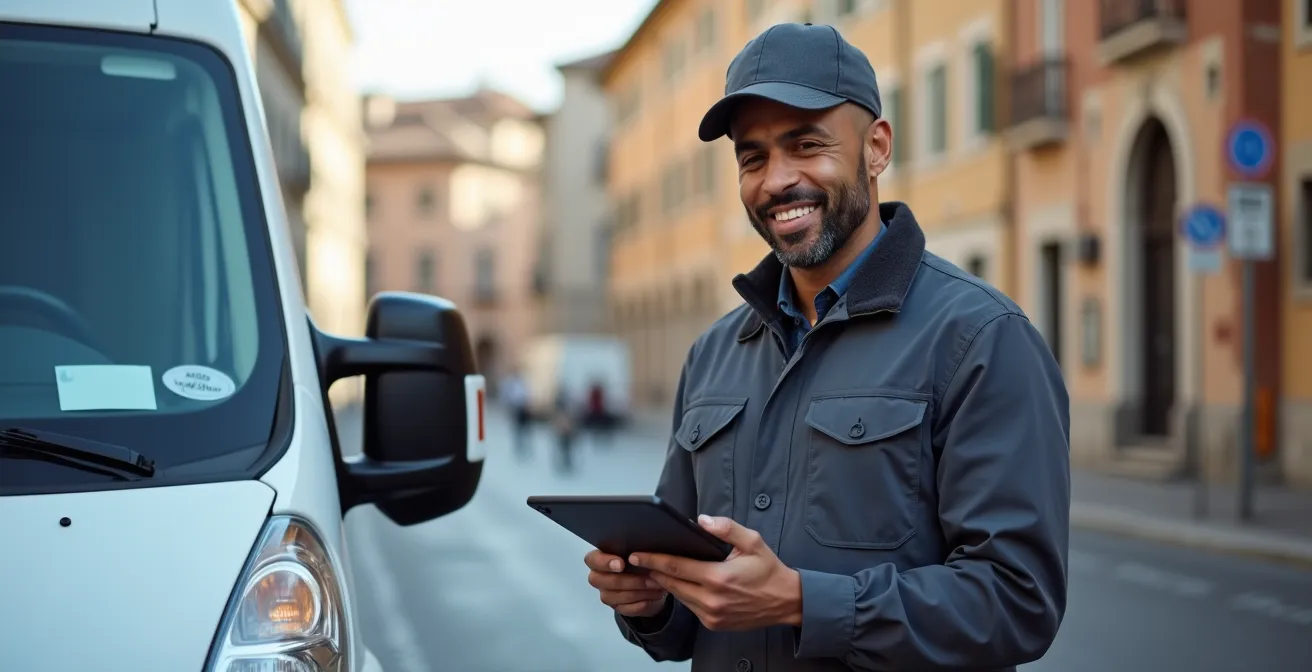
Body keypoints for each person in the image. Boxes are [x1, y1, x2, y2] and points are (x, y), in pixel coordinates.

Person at [583, 22, 1070, 672]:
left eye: (806, 145)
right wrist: (648, 602)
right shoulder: (712, 353)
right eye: (752, 158)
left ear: (876, 148)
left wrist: (802, 603)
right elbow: (686, 621)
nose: (776, 181)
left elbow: (1017, 603)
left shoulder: (981, 337)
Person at [499, 368, 531, 458]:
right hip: (516, 408)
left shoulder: (523, 383)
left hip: (523, 409)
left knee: (525, 430)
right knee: (517, 430)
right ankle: (519, 447)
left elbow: (526, 396)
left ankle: (525, 447)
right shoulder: (510, 384)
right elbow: (507, 396)